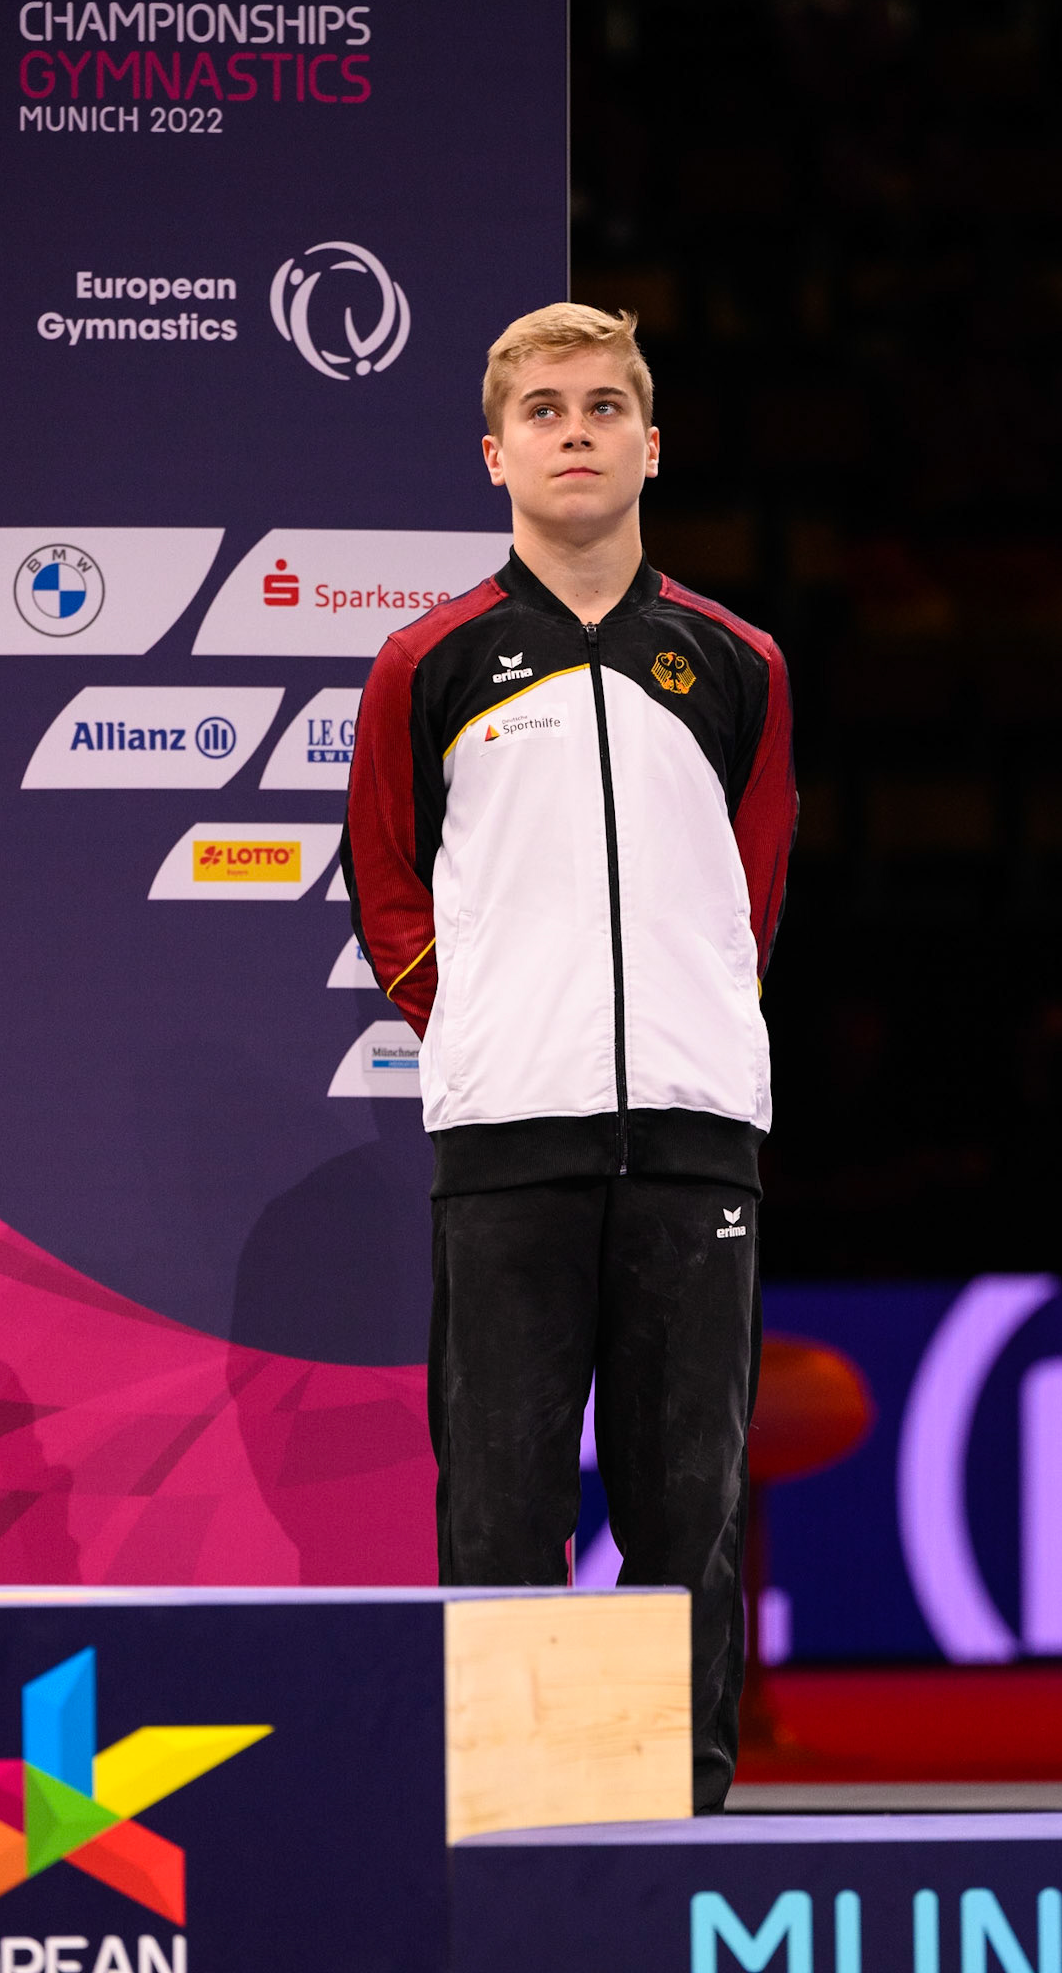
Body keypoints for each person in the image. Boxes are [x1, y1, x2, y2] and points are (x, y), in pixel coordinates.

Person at [341, 302, 797, 1810]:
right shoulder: (427, 661)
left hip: (692, 1137)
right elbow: (387, 884)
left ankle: (685, 1819)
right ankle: (510, 1822)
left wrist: (691, 1026)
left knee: (689, 1508)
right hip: (506, 1141)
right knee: (500, 1507)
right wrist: (483, 1029)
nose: (576, 432)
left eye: (605, 407)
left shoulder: (735, 660)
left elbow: (748, 895)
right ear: (495, 456)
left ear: (652, 445)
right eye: (543, 412)